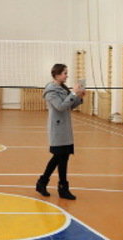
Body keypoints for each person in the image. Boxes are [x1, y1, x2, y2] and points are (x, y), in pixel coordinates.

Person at [36, 63, 85, 200]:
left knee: (64, 158)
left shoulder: (62, 88)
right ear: (57, 75)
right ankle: (43, 182)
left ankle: (61, 187)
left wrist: (79, 97)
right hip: (57, 129)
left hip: (65, 128)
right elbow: (61, 107)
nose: (67, 75)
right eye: (64, 73)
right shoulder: (51, 91)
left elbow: (71, 105)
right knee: (58, 157)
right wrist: (73, 93)